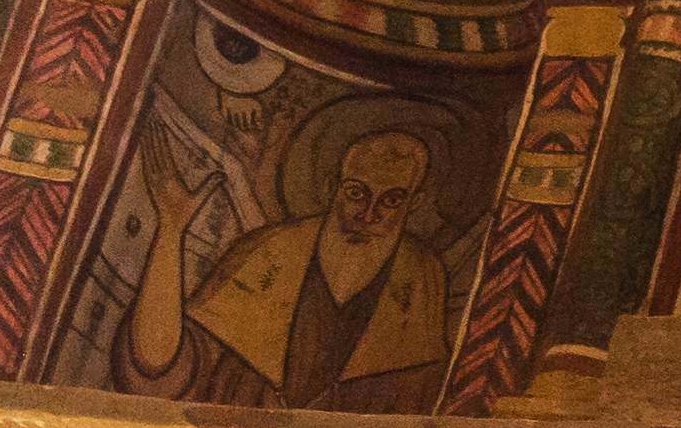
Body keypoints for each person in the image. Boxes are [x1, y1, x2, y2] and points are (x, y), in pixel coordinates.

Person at [130, 112, 466, 409]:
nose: (369, 214)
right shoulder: (267, 251)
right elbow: (159, 367)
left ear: (416, 202)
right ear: (332, 186)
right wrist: (171, 230)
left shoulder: (423, 277)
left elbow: (421, 403)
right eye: (356, 192)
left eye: (391, 199)